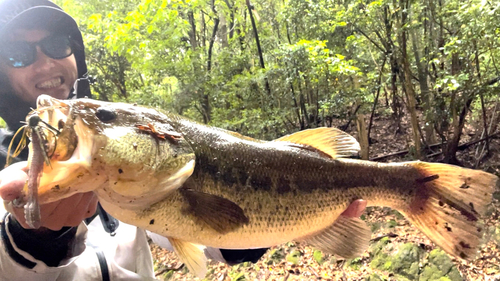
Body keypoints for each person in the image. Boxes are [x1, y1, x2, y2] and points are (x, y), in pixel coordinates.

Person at [0, 1, 367, 280]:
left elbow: (197, 236)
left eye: (56, 43)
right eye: (18, 54)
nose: (46, 63)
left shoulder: (120, 150)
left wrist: (287, 219)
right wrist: (30, 239)